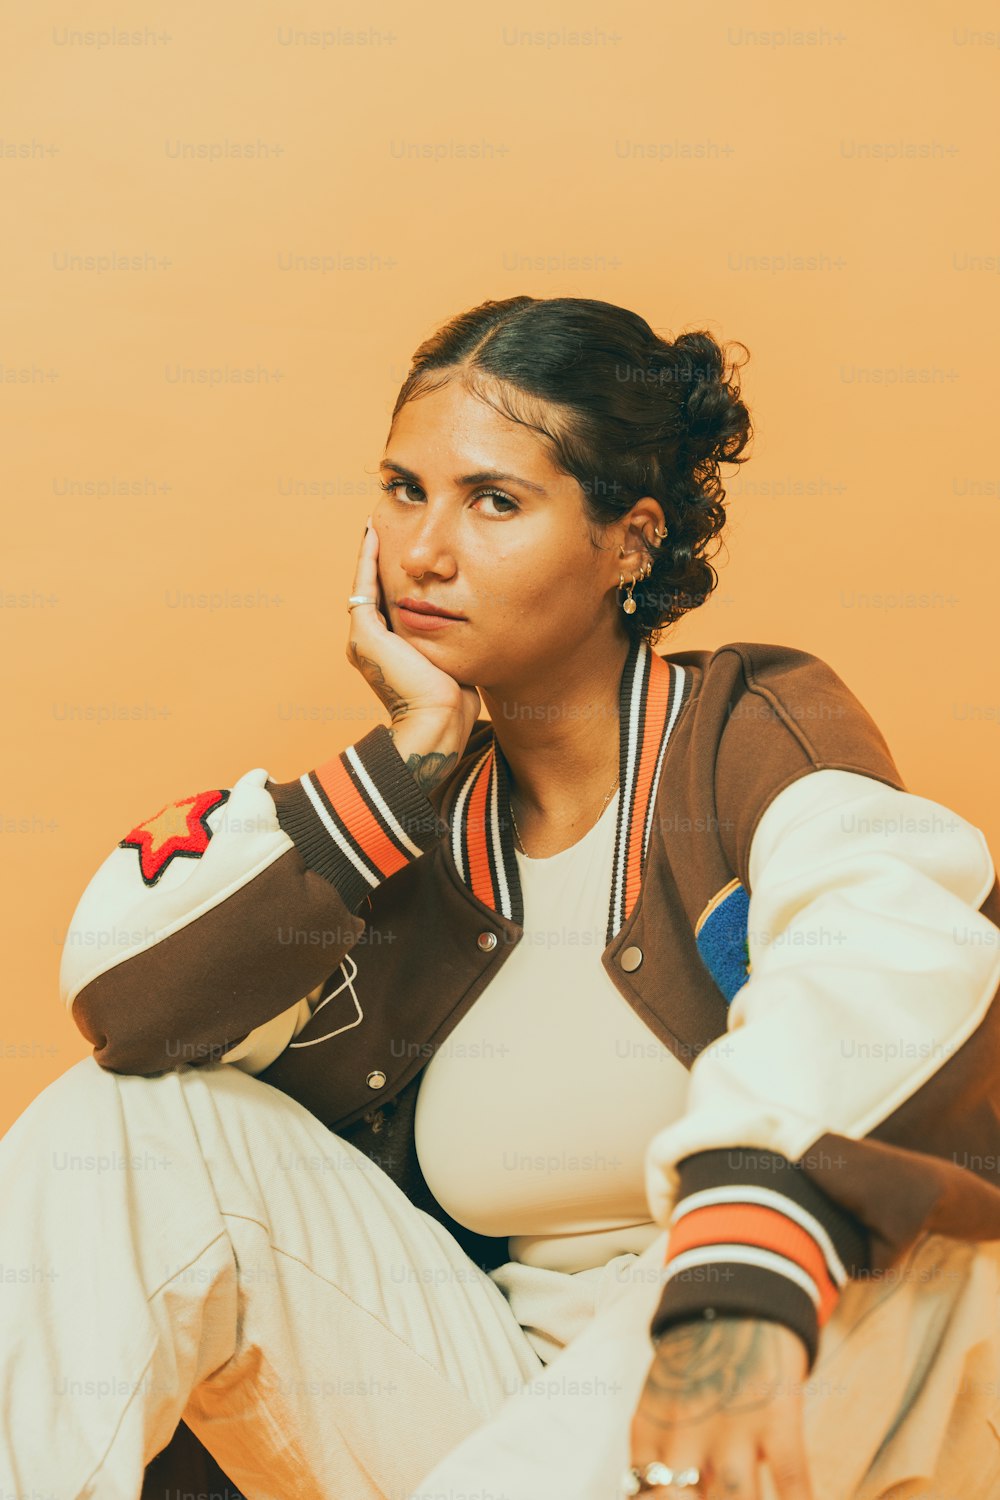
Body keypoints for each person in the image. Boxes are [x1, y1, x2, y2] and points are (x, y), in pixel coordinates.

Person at [3, 294, 1000, 1500]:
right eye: (404, 489)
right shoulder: (408, 843)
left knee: (911, 1230)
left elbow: (888, 951)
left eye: (493, 502)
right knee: (123, 1129)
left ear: (628, 541)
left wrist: (741, 1265)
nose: (425, 551)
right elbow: (130, 1010)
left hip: (788, 1383)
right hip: (497, 1426)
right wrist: (404, 762)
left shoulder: (743, 735)